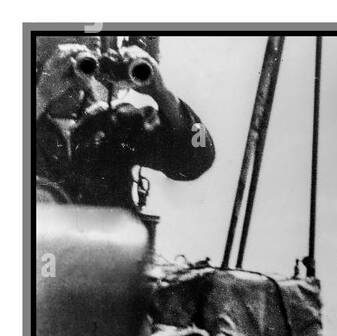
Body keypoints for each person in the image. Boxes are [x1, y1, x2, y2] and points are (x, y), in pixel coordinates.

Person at [35, 36, 216, 209]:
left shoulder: (114, 121)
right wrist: (41, 96)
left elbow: (200, 155)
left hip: (106, 239)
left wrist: (162, 93)